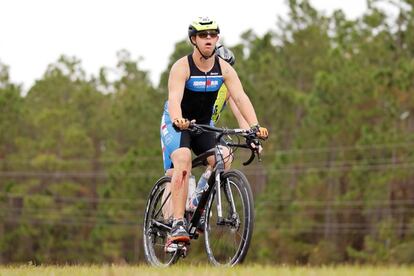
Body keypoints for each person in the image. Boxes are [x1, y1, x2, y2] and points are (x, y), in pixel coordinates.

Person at [160, 16, 268, 252]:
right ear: (194, 40)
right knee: (183, 161)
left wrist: (254, 128)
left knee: (224, 157)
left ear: (217, 38)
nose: (208, 39)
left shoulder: (225, 69)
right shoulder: (182, 66)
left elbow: (241, 98)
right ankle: (177, 223)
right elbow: (174, 98)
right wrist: (179, 119)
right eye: (203, 35)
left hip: (203, 125)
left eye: (212, 35)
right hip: (177, 123)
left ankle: (197, 205)